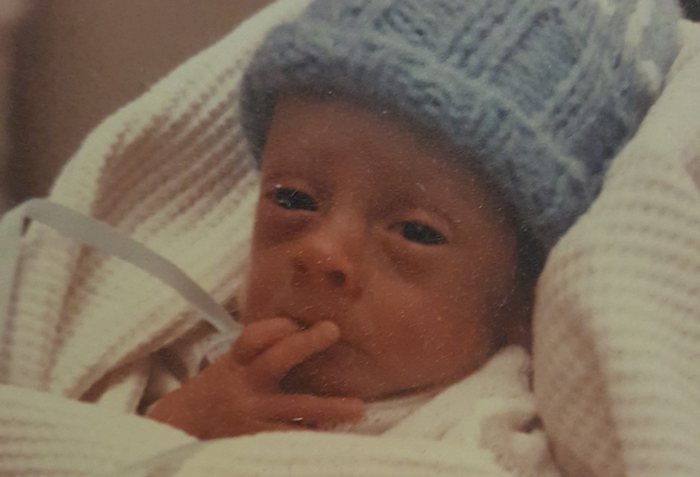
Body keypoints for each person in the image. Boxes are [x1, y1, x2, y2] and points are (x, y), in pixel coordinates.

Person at [146, 0, 681, 446]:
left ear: (519, 303)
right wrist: (176, 424)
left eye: (416, 231)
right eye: (292, 199)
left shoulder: (489, 431)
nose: (322, 252)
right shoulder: (197, 358)